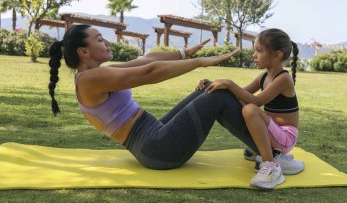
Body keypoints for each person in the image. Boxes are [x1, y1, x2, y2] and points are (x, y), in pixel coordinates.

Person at [48, 24, 264, 170]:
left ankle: (257, 149)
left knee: (208, 88)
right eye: (100, 40)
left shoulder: (97, 74)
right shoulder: (90, 79)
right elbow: (149, 72)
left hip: (154, 140)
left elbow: (145, 60)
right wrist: (199, 62)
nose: (107, 43)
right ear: (83, 52)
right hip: (158, 149)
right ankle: (270, 155)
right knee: (219, 94)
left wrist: (184, 54)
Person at [198, 28, 304, 189]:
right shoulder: (263, 76)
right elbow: (238, 95)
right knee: (243, 106)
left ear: (277, 55)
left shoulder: (284, 79)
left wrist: (229, 83)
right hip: (272, 130)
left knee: (250, 109)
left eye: (259, 51)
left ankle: (272, 167)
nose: (254, 55)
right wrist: (212, 84)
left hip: (285, 136)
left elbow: (256, 101)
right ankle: (266, 154)